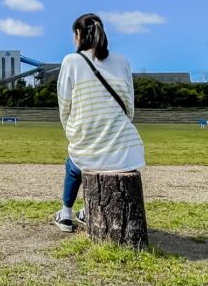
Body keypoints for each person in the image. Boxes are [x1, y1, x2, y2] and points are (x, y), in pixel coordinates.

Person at [54, 13, 146, 232]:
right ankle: (90, 211)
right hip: (127, 149)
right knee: (96, 160)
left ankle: (66, 213)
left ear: (78, 34)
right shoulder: (123, 62)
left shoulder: (71, 61)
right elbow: (129, 106)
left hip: (87, 143)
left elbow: (64, 105)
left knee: (73, 165)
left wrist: (73, 131)